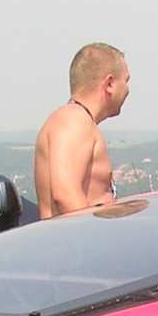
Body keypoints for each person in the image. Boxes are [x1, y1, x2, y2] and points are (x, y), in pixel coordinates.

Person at [33, 43, 131, 219]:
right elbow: (65, 193)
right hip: (75, 243)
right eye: (126, 81)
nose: (128, 90)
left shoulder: (75, 119)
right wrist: (93, 240)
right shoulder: (74, 121)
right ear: (109, 84)